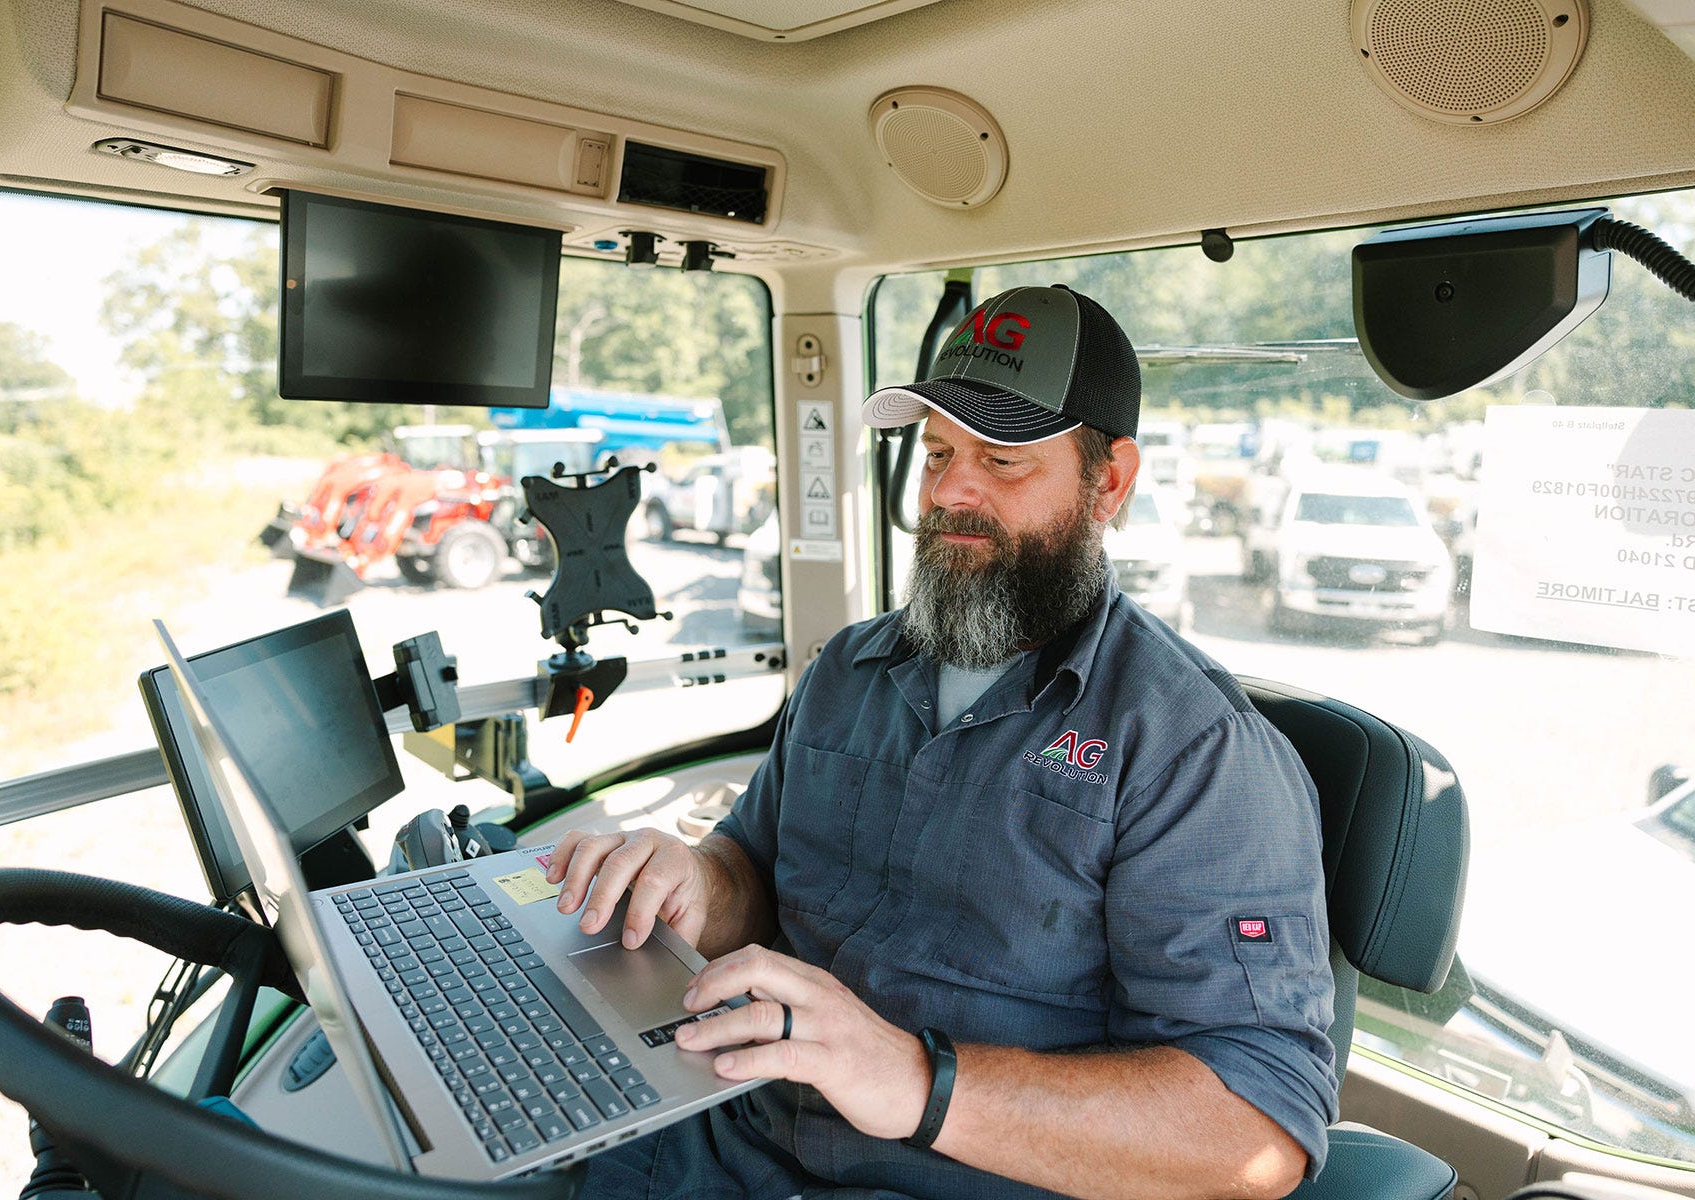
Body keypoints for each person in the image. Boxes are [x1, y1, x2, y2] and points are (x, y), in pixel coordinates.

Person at [554, 284, 1338, 1200]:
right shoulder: (852, 667)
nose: (950, 493)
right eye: (936, 455)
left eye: (1002, 460)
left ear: (1109, 482)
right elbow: (752, 874)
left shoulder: (1192, 749)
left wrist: (918, 1083)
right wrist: (692, 883)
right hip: (731, 1131)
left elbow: (1256, 1132)